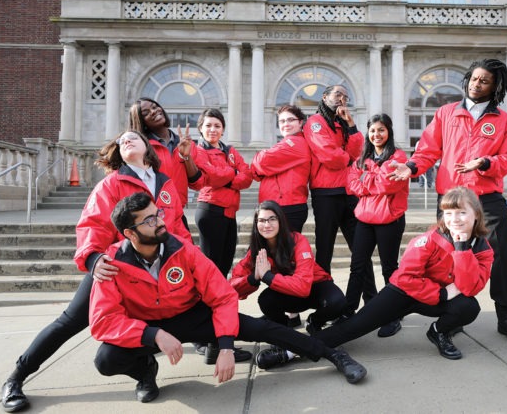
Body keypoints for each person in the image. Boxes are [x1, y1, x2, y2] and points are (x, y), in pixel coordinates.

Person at [90, 192, 367, 404]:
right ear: (129, 233)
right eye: (149, 220)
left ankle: (333, 355)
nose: (160, 221)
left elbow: (222, 296)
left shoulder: (182, 249)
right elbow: (103, 321)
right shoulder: (111, 264)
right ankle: (144, 373)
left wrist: (225, 345)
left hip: (194, 315)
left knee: (262, 328)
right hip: (150, 326)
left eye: (157, 213)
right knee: (106, 359)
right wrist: (152, 335)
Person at [0, 130, 192, 413]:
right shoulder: (112, 184)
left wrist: (188, 260)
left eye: (133, 138)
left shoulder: (166, 184)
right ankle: (16, 378)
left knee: (159, 326)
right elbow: (93, 224)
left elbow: (176, 227)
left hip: (155, 271)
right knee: (70, 321)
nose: (126, 140)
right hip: (112, 269)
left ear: (149, 149)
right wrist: (92, 258)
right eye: (122, 140)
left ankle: (143, 372)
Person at [258, 187, 493, 367]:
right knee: (353, 327)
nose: (455, 219)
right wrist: (442, 292)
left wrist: (462, 249)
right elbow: (404, 278)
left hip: (433, 299)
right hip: (404, 293)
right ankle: (289, 351)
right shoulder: (429, 239)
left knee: (468, 307)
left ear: (476, 215)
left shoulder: (483, 249)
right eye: (449, 213)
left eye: (462, 212)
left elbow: (471, 287)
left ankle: (439, 331)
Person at [387, 58, 507, 345]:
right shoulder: (445, 113)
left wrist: (486, 162)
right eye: (474, 78)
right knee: (447, 258)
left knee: (500, 259)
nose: (477, 84)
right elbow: (428, 149)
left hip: (486, 200)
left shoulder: (504, 121)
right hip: (451, 200)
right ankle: (452, 317)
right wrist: (411, 168)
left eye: (484, 81)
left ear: (495, 87)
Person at [302, 85, 377, 306]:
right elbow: (329, 156)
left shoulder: (342, 124)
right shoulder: (315, 122)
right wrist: (350, 159)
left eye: (345, 96)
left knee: (361, 249)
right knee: (325, 250)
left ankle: (371, 301)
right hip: (325, 194)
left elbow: (360, 150)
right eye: (337, 95)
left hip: (349, 192)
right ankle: (323, 302)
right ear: (325, 97)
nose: (341, 99)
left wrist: (352, 125)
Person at [230, 200, 347, 338]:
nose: (267, 225)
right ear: (256, 225)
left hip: (315, 287)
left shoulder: (298, 241)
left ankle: (314, 322)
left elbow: (303, 287)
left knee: (337, 303)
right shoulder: (257, 251)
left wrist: (267, 276)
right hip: (289, 295)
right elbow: (232, 286)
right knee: (266, 300)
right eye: (261, 220)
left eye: (272, 219)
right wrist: (253, 278)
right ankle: (284, 333)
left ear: (281, 221)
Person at [192, 107, 253, 361]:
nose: (213, 130)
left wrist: (227, 177)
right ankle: (205, 338)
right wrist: (232, 175)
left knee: (222, 275)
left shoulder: (230, 150)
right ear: (201, 128)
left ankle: (210, 335)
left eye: (217, 125)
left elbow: (247, 176)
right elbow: (208, 177)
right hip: (210, 212)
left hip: (229, 215)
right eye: (208, 126)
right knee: (210, 278)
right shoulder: (198, 150)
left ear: (223, 129)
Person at [344, 113, 409, 338]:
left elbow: (389, 184)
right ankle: (347, 310)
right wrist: (371, 181)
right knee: (357, 266)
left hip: (389, 219)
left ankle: (393, 315)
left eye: (381, 130)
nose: (376, 134)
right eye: (372, 130)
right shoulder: (363, 158)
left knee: (389, 268)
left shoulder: (398, 156)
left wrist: (366, 180)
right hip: (365, 219)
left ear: (388, 132)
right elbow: (352, 184)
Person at [129, 97, 206, 208]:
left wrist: (186, 156)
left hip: (179, 212)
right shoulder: (141, 148)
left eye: (154, 107)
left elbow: (198, 184)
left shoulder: (185, 144)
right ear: (141, 121)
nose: (154, 111)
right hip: (153, 213)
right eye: (146, 113)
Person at [251, 104, 311, 233]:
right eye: (282, 121)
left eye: (290, 120)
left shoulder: (296, 143)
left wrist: (259, 158)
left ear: (300, 122)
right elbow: (256, 173)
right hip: (278, 205)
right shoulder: (284, 143)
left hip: (288, 206)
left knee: (285, 251)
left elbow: (262, 162)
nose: (286, 124)